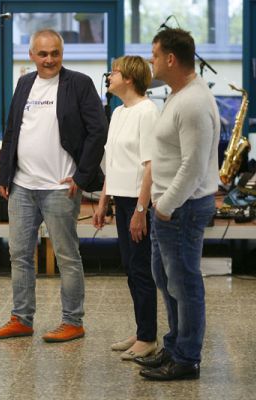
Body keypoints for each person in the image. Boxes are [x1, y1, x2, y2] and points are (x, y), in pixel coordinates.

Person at [0, 29, 108, 342]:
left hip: (60, 187)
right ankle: (21, 319)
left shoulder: (79, 83)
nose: (49, 59)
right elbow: (12, 130)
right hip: (22, 186)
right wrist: (4, 175)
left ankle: (73, 321)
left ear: (62, 54)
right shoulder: (25, 83)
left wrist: (81, 176)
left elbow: (98, 131)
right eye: (43, 54)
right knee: (19, 255)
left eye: (55, 53)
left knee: (67, 255)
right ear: (32, 55)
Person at [134, 28, 220, 380]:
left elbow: (194, 166)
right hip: (169, 208)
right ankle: (172, 347)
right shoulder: (178, 94)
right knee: (167, 280)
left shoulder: (193, 102)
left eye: (154, 55)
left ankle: (186, 359)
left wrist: (165, 206)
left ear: (171, 59)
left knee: (184, 285)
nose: (150, 61)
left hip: (181, 209)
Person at [93, 56, 158, 360]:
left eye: (114, 72)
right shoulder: (119, 112)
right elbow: (112, 162)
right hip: (121, 200)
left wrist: (140, 211)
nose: (109, 77)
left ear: (129, 78)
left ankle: (148, 338)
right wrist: (102, 201)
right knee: (131, 268)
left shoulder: (148, 112)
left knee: (141, 270)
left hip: (138, 202)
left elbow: (150, 166)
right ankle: (142, 329)